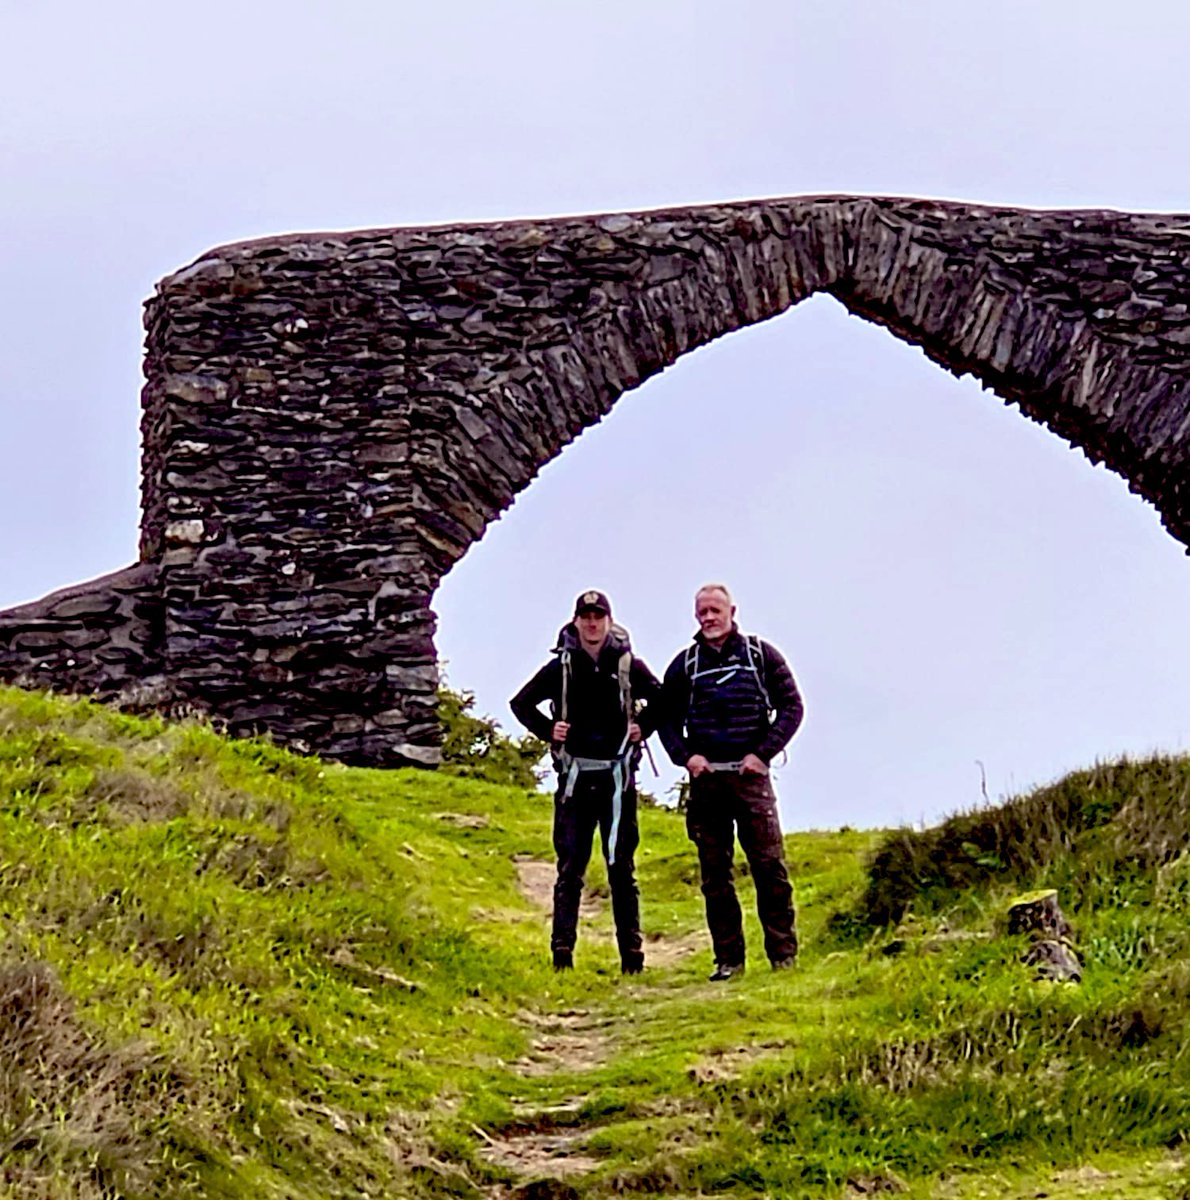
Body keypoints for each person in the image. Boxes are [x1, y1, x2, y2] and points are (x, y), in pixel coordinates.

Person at [510, 590, 662, 974]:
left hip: (617, 782)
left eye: (598, 616)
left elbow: (663, 699)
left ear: (609, 621)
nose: (592, 623)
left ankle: (633, 959)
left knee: (621, 870)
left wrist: (642, 728)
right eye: (586, 617)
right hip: (574, 782)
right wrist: (549, 730)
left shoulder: (627, 664)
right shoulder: (560, 665)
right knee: (570, 870)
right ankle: (562, 958)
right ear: (576, 622)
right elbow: (520, 704)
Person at [658, 583, 804, 981]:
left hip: (751, 781)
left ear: (732, 611)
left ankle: (783, 957)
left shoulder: (761, 655)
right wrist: (686, 757)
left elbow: (792, 707)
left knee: (769, 869)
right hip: (707, 786)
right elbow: (665, 719)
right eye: (701, 611)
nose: (708, 617)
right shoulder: (684, 665)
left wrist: (763, 754)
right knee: (715, 877)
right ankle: (729, 961)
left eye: (714, 610)